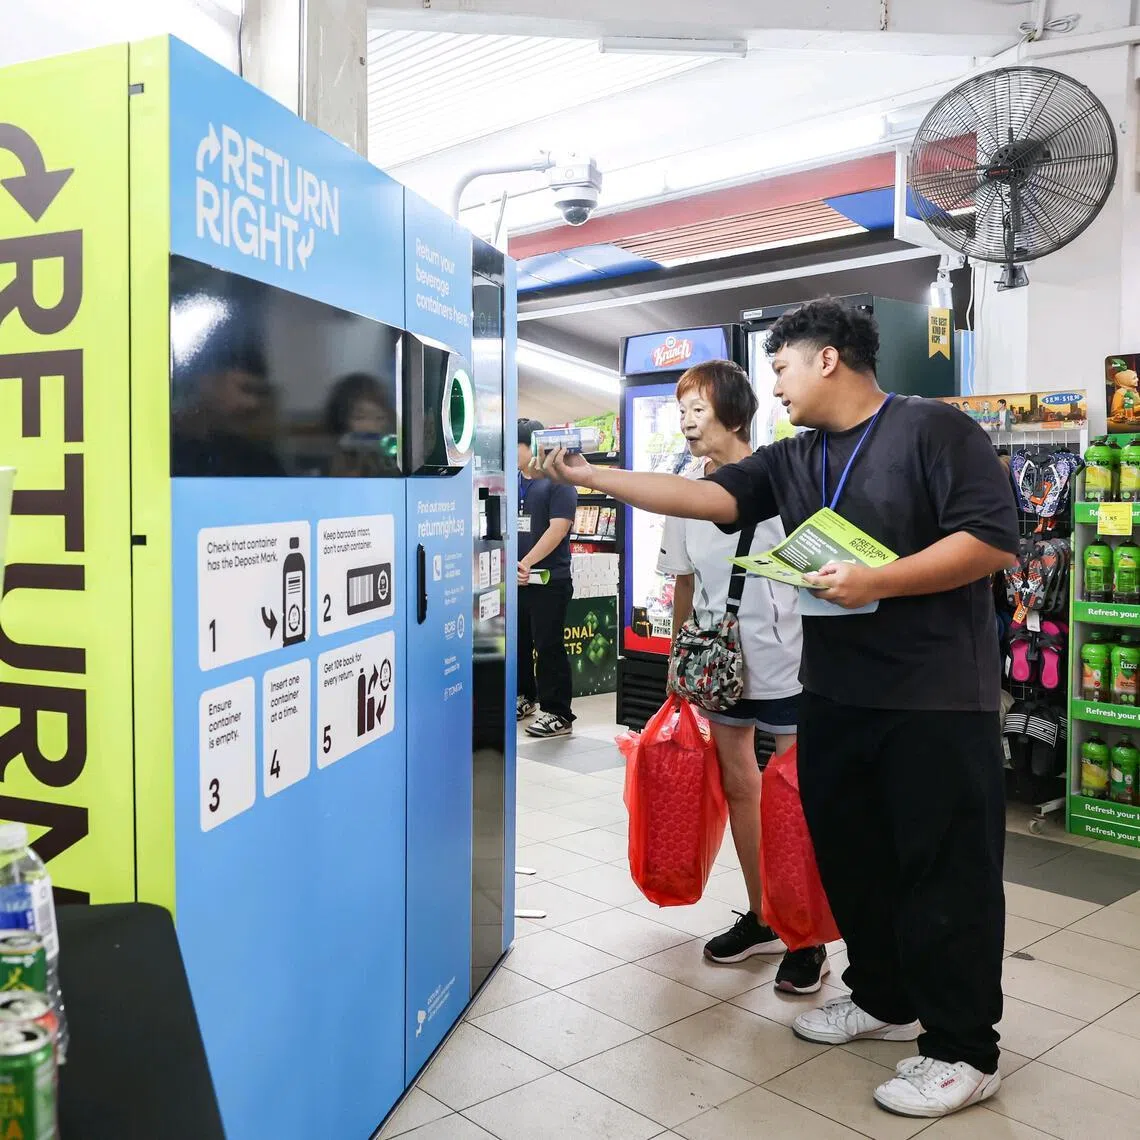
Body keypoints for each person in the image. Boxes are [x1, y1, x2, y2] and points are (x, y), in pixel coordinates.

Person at [533, 299, 1018, 1122]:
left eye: (783, 367)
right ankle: (883, 997)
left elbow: (992, 538)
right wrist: (593, 478)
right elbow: (704, 500)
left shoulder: (934, 430)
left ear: (828, 358)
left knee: (944, 870)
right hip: (834, 694)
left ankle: (966, 1047)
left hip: (936, 698)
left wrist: (878, 580)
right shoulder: (795, 459)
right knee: (854, 858)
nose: (776, 385)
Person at [658, 361, 827, 994]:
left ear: (734, 412)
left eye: (697, 408)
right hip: (717, 663)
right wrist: (678, 663)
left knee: (796, 796)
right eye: (680, 411)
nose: (686, 422)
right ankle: (762, 914)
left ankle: (806, 934)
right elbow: (680, 579)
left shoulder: (781, 482)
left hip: (787, 659)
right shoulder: (682, 491)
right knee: (739, 785)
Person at [517, 418, 579, 738]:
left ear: (531, 446)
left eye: (513, 446)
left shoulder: (559, 481)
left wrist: (526, 562)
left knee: (548, 644)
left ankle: (558, 712)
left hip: (549, 579)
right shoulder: (512, 480)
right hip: (517, 579)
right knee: (519, 641)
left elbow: (559, 528)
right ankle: (525, 696)